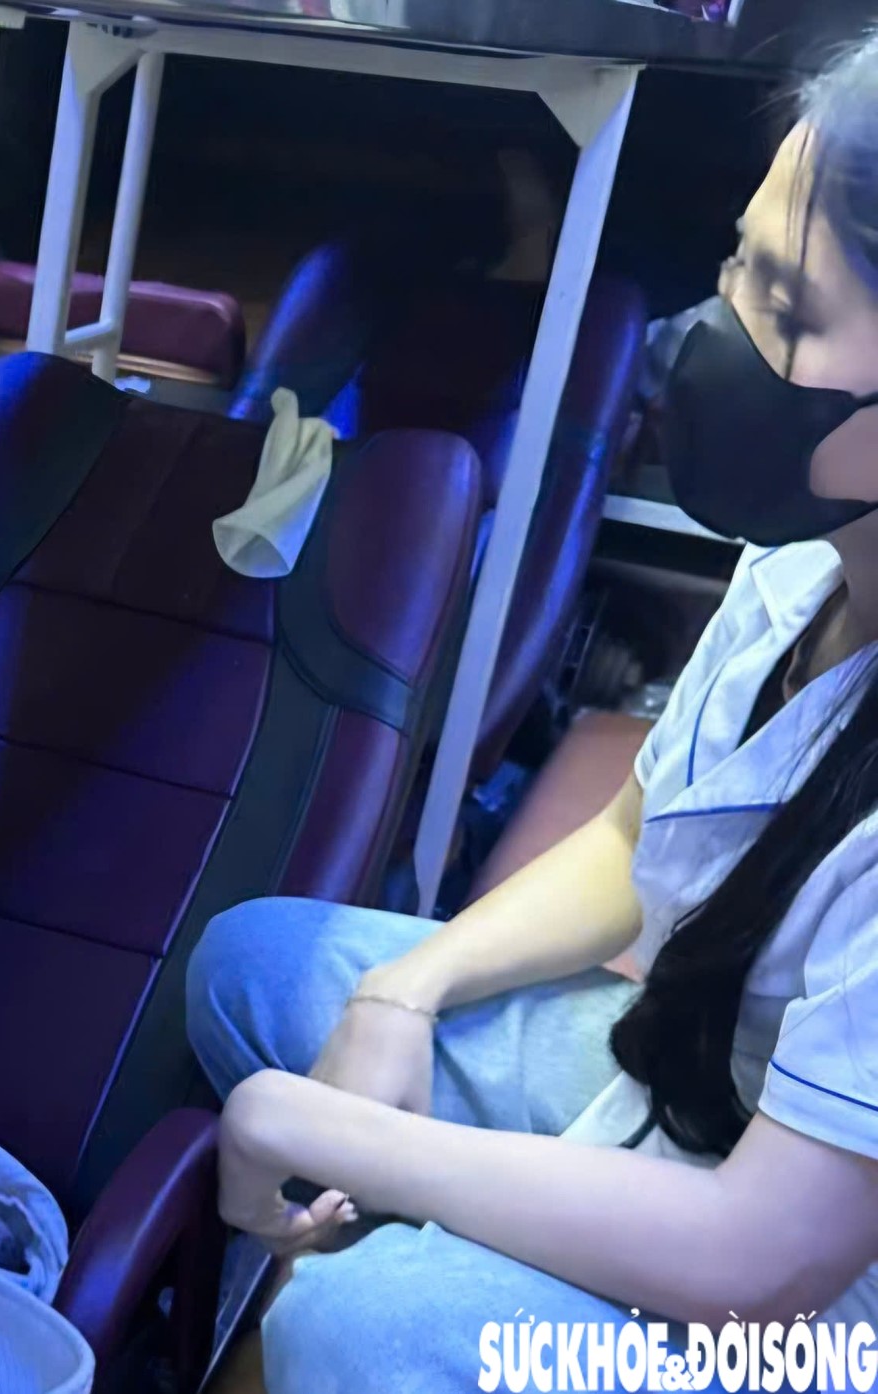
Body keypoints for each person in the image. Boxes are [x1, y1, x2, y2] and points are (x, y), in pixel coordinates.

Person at [191, 34, 878, 1391]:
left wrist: (341, 1136)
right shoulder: (804, 567)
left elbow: (757, 1262)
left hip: (810, 1308)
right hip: (704, 1091)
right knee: (254, 964)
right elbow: (634, 836)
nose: (717, 326)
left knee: (355, 1323)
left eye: (785, 307)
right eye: (738, 263)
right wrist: (405, 987)